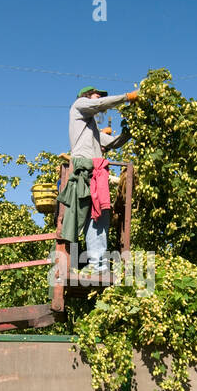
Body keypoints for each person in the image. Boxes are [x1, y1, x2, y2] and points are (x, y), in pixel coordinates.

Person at [63, 85, 136, 274]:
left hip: (97, 170)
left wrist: (131, 131)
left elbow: (113, 142)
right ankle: (70, 265)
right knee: (79, 215)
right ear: (86, 96)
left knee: (99, 215)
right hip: (84, 169)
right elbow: (100, 104)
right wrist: (127, 97)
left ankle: (98, 265)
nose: (100, 98)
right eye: (96, 95)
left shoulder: (92, 128)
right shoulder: (78, 105)